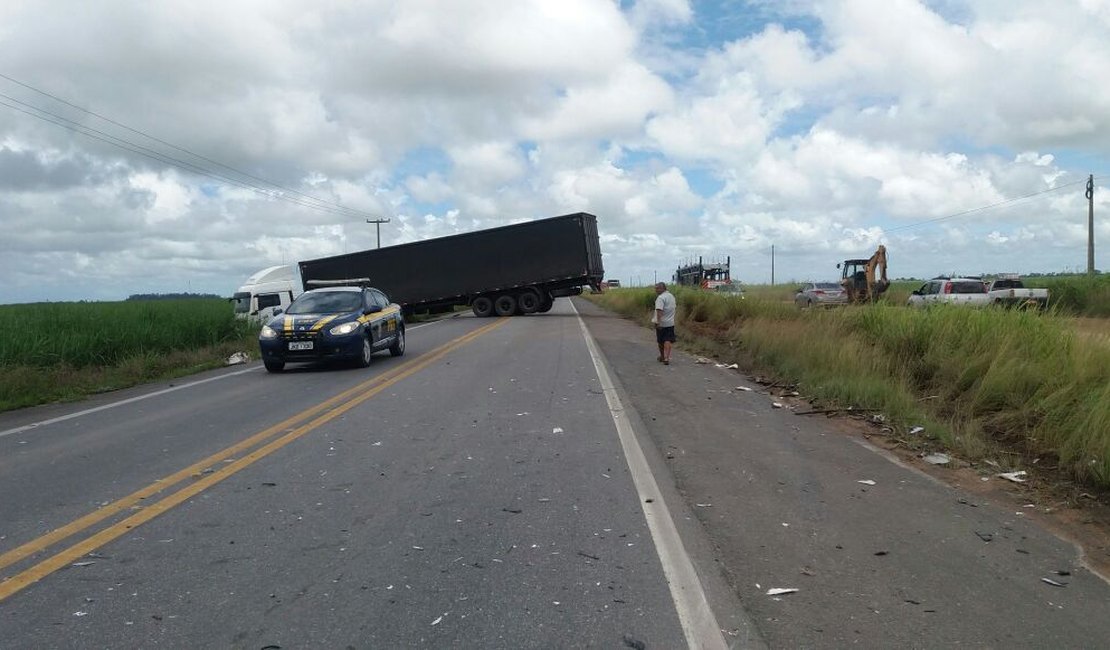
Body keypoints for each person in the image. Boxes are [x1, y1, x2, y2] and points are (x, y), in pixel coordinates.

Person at [653, 282, 676, 365]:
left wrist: (658, 322)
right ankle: (667, 357)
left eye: (657, 288)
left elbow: (659, 310)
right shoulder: (671, 296)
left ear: (662, 288)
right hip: (670, 322)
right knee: (668, 340)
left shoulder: (660, 298)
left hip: (662, 322)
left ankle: (662, 356)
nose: (656, 290)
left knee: (661, 341)